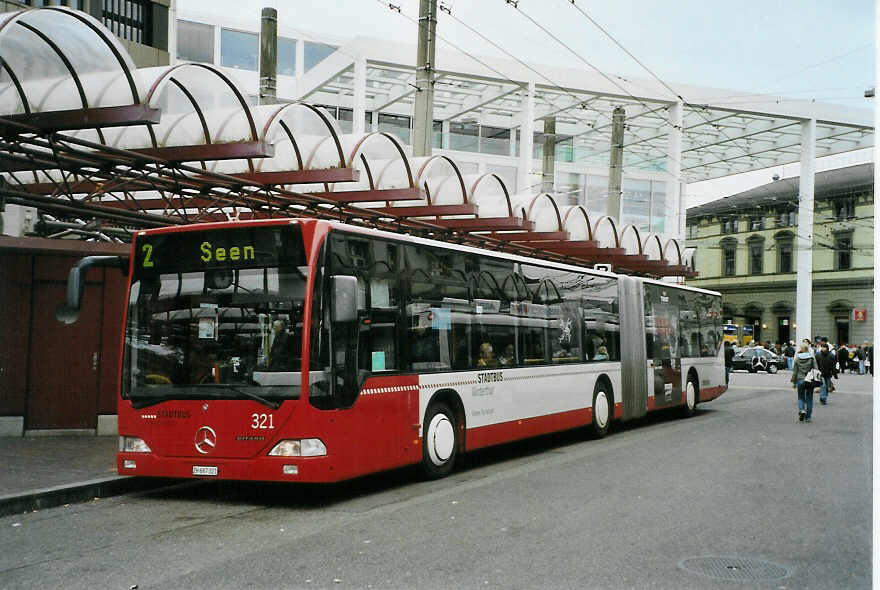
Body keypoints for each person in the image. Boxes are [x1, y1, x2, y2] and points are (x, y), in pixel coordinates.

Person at [792, 341, 819, 422]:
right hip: (809, 380)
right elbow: (816, 369)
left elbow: (795, 372)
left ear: (801, 349)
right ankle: (808, 416)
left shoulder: (797, 358)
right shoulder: (811, 358)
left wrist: (794, 382)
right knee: (809, 398)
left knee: (800, 397)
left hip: (800, 379)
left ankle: (802, 410)